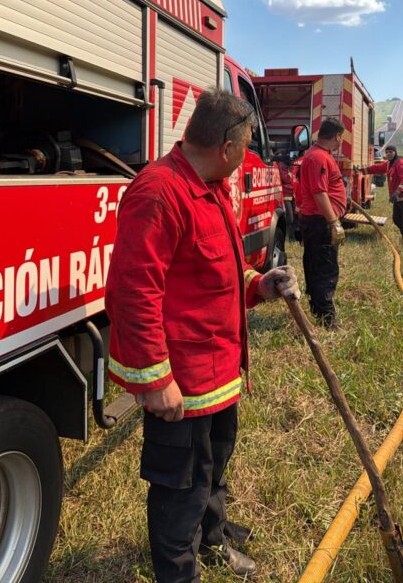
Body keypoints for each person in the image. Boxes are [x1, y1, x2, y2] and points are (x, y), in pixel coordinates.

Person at [105, 89, 300, 583]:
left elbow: (215, 275)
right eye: (247, 145)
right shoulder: (159, 192)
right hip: (183, 387)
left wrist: (261, 286)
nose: (246, 155)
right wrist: (157, 380)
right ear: (227, 146)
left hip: (217, 378)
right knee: (180, 490)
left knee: (214, 466)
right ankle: (178, 572)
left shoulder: (209, 187)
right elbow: (133, 293)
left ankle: (212, 539)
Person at [298, 118, 347, 330]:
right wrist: (334, 222)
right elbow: (319, 193)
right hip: (321, 223)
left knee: (315, 265)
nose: (340, 142)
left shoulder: (317, 155)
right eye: (340, 138)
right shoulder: (318, 157)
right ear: (336, 136)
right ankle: (327, 319)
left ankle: (318, 309)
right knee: (325, 269)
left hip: (316, 221)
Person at [362, 145, 403, 239]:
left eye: (391, 152)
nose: (389, 154)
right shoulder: (389, 164)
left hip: (400, 196)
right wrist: (363, 170)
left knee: (399, 219)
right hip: (397, 198)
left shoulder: (399, 163)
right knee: (397, 219)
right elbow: (377, 168)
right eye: (387, 152)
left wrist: (397, 192)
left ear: (395, 152)